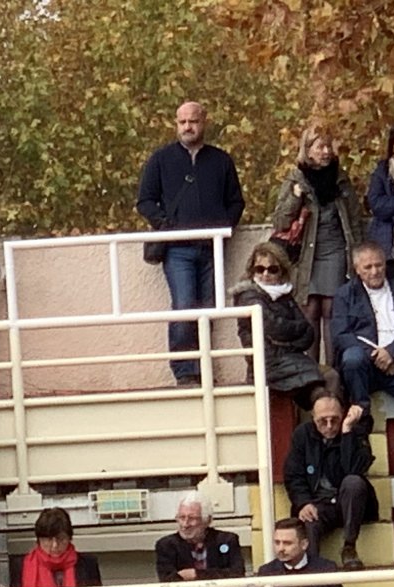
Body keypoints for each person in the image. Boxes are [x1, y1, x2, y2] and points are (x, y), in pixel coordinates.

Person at [136, 101, 246, 387]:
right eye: (182, 122)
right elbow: (145, 201)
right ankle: (185, 372)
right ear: (176, 124)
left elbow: (236, 202)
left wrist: (224, 226)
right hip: (177, 249)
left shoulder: (221, 161)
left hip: (212, 248)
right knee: (184, 307)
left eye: (193, 121)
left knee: (207, 310)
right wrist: (166, 225)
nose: (188, 127)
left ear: (204, 122)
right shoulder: (161, 159)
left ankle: (204, 369)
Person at [272, 123, 362, 355]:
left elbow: (354, 220)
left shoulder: (340, 178)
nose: (326, 152)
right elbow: (280, 221)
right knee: (310, 310)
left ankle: (333, 370)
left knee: (332, 310)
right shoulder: (296, 178)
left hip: (335, 251)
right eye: (321, 147)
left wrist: (357, 255)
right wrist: (295, 198)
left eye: (329, 146)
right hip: (306, 255)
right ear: (308, 149)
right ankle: (312, 371)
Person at [283, 392, 377, 569]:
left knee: (353, 482)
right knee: (308, 520)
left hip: (351, 503)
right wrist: (303, 503)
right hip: (319, 502)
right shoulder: (302, 435)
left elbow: (354, 470)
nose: (329, 426)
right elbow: (293, 474)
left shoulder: (356, 431)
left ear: (343, 414)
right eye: (322, 421)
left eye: (334, 420)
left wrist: (347, 431)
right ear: (313, 417)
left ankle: (349, 547)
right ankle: (311, 570)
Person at [231, 242, 326, 404]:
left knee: (331, 377)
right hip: (268, 365)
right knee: (322, 384)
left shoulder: (285, 296)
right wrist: (295, 334)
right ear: (252, 270)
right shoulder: (248, 297)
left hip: (289, 360)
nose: (266, 274)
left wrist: (288, 340)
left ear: (281, 271)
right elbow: (275, 328)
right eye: (260, 269)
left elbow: (309, 334)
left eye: (272, 269)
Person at [331, 240, 394, 411]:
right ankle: (361, 414)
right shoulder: (345, 294)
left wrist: (392, 352)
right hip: (365, 367)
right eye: (368, 267)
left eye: (379, 265)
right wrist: (377, 357)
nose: (374, 272)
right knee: (352, 357)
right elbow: (341, 335)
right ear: (357, 269)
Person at [365, 123, 394, 256]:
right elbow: (377, 205)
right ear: (393, 148)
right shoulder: (382, 171)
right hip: (386, 243)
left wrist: (392, 208)